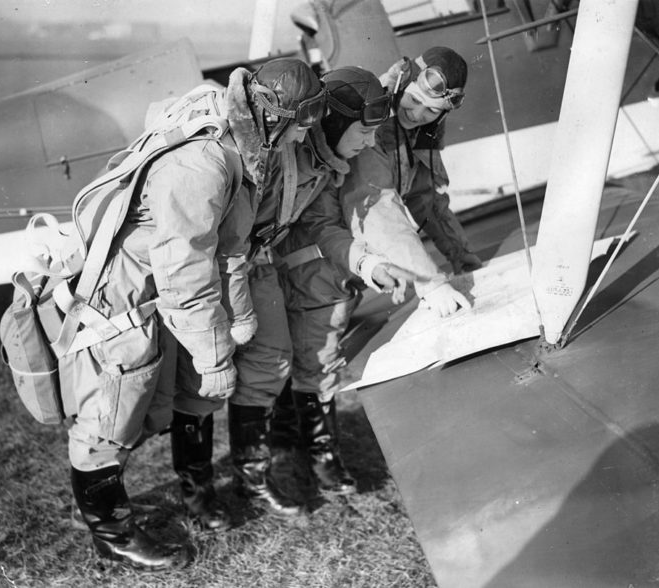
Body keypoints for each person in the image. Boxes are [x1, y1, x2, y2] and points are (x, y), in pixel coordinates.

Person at [65, 57, 325, 570]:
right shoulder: (203, 163)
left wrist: (239, 320)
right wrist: (213, 359)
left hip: (148, 291)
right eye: (300, 128)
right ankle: (110, 533)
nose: (299, 141)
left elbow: (225, 249)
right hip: (122, 300)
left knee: (140, 410)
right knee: (108, 421)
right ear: (276, 118)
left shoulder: (233, 138)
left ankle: (106, 509)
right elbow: (186, 273)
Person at [168, 64, 411, 524]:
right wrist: (236, 312)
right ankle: (195, 491)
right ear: (335, 123)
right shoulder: (279, 148)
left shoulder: (317, 158)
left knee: (268, 364)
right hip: (209, 268)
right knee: (203, 378)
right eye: (363, 131)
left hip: (250, 262)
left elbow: (318, 224)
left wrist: (367, 263)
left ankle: (252, 480)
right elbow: (222, 234)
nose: (368, 143)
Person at [272, 47, 480, 494]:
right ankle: (315, 456)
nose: (418, 114)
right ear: (403, 81)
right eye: (415, 102)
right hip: (320, 252)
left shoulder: (417, 128)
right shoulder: (372, 116)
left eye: (431, 111)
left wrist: (465, 259)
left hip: (356, 255)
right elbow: (377, 205)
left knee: (318, 355)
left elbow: (425, 196)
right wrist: (432, 283)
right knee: (318, 353)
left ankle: (290, 444)